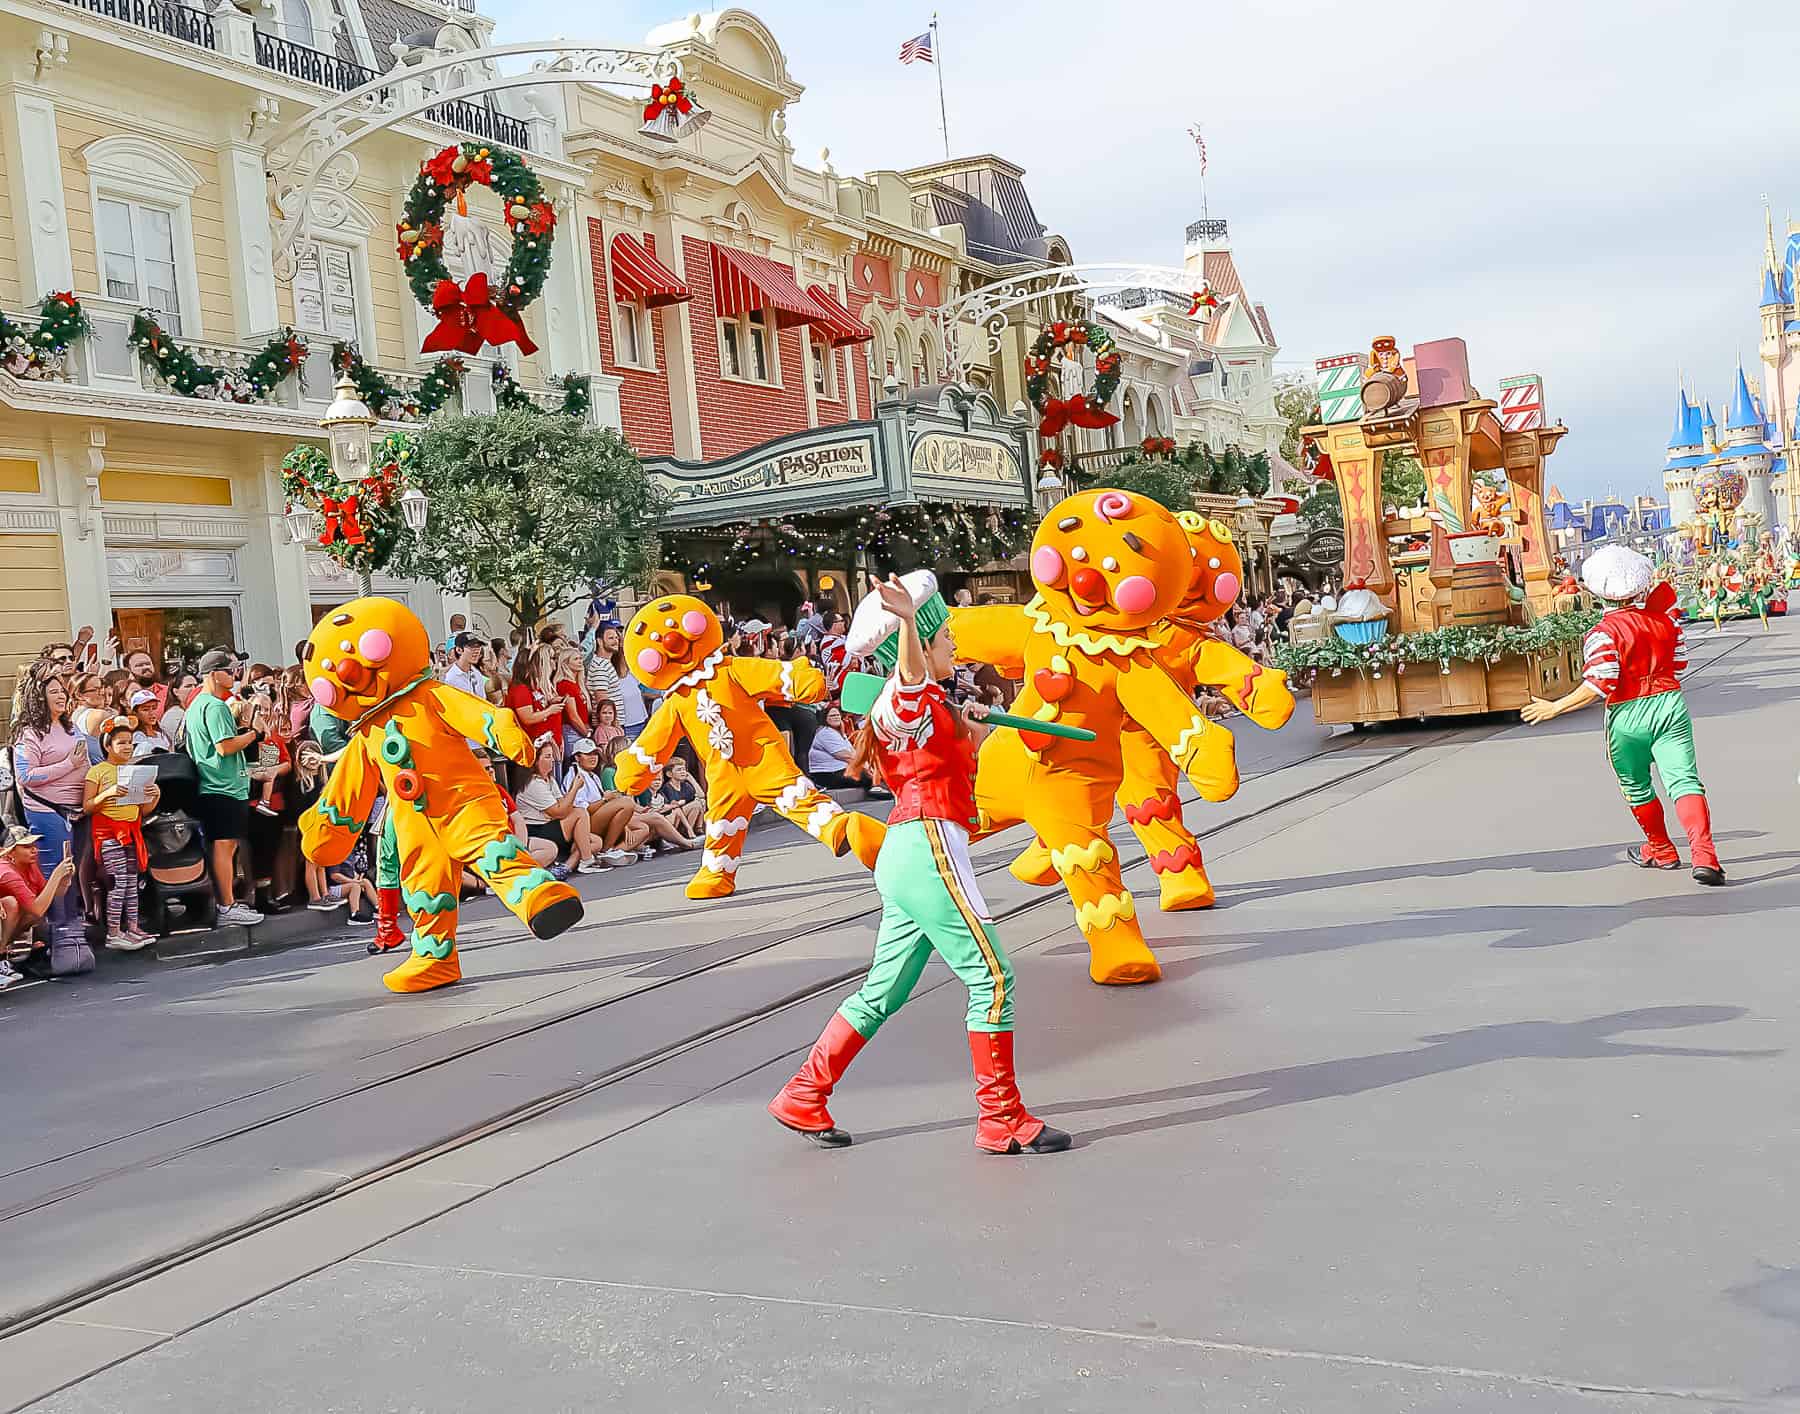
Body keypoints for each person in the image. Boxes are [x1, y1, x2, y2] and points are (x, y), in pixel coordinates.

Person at [768, 572, 1071, 1156]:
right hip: (928, 846)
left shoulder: (926, 702)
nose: (955, 646)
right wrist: (907, 620)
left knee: (881, 992)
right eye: (945, 638)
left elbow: (933, 751)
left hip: (917, 849)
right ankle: (1001, 1116)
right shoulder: (907, 693)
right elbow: (909, 681)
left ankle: (805, 1092)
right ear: (921, 645)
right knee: (993, 977)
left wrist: (973, 737)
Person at [1522, 544, 1723, 885]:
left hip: (1626, 713)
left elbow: (1601, 682)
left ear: (1598, 592)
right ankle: (1704, 855)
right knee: (1684, 781)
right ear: (1640, 587)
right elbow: (1680, 664)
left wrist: (1556, 706)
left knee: (1636, 784)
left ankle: (1661, 849)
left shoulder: (1602, 634)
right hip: (1669, 705)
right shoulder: (1667, 622)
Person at [11, 670, 91, 965]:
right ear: (38, 697)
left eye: (63, 690)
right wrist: (69, 765)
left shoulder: (71, 727)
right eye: (54, 691)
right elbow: (27, 776)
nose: (61, 695)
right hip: (48, 811)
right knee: (58, 874)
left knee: (74, 873)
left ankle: (73, 928)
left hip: (80, 811)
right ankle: (60, 935)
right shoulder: (29, 733)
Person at [186, 647, 264, 926]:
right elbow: (224, 746)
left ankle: (228, 903)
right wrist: (253, 733)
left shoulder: (198, 703)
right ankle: (227, 906)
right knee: (224, 845)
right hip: (222, 785)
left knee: (226, 846)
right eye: (229, 670)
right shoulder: (215, 705)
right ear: (214, 674)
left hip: (220, 785)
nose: (234, 675)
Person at [83, 717, 159, 950]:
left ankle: (133, 927)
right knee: (118, 883)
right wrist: (109, 793)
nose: (127, 747)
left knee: (132, 883)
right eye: (121, 743)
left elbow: (142, 809)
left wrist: (155, 796)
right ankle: (114, 932)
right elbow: (87, 806)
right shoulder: (97, 772)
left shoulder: (135, 771)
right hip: (108, 835)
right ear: (107, 745)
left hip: (132, 833)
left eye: (130, 743)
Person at [0, 822, 77, 988]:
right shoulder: (7, 871)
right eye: (27, 846)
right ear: (11, 852)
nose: (34, 850)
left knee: (31, 914)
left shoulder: (30, 864)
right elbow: (38, 907)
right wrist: (56, 875)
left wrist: (64, 880)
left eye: (34, 845)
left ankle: (7, 953)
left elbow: (48, 897)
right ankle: (1, 957)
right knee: (11, 904)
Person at [516, 742, 608, 872]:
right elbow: (559, 812)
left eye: (552, 756)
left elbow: (563, 804)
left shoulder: (549, 779)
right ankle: (587, 861)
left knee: (596, 841)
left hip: (552, 823)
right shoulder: (533, 783)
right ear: (535, 761)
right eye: (548, 757)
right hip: (537, 828)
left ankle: (567, 867)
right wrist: (574, 788)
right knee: (580, 813)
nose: (552, 760)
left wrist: (569, 798)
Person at [807, 703, 857, 789]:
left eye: (838, 715)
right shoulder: (825, 732)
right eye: (832, 716)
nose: (836, 717)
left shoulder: (838, 732)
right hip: (828, 774)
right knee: (867, 775)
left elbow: (852, 751)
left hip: (839, 771)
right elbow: (846, 756)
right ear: (825, 718)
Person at [442, 631, 487, 701]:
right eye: (471, 646)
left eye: (478, 646)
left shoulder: (477, 674)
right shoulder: (450, 678)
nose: (476, 651)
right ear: (459, 650)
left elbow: (483, 701)